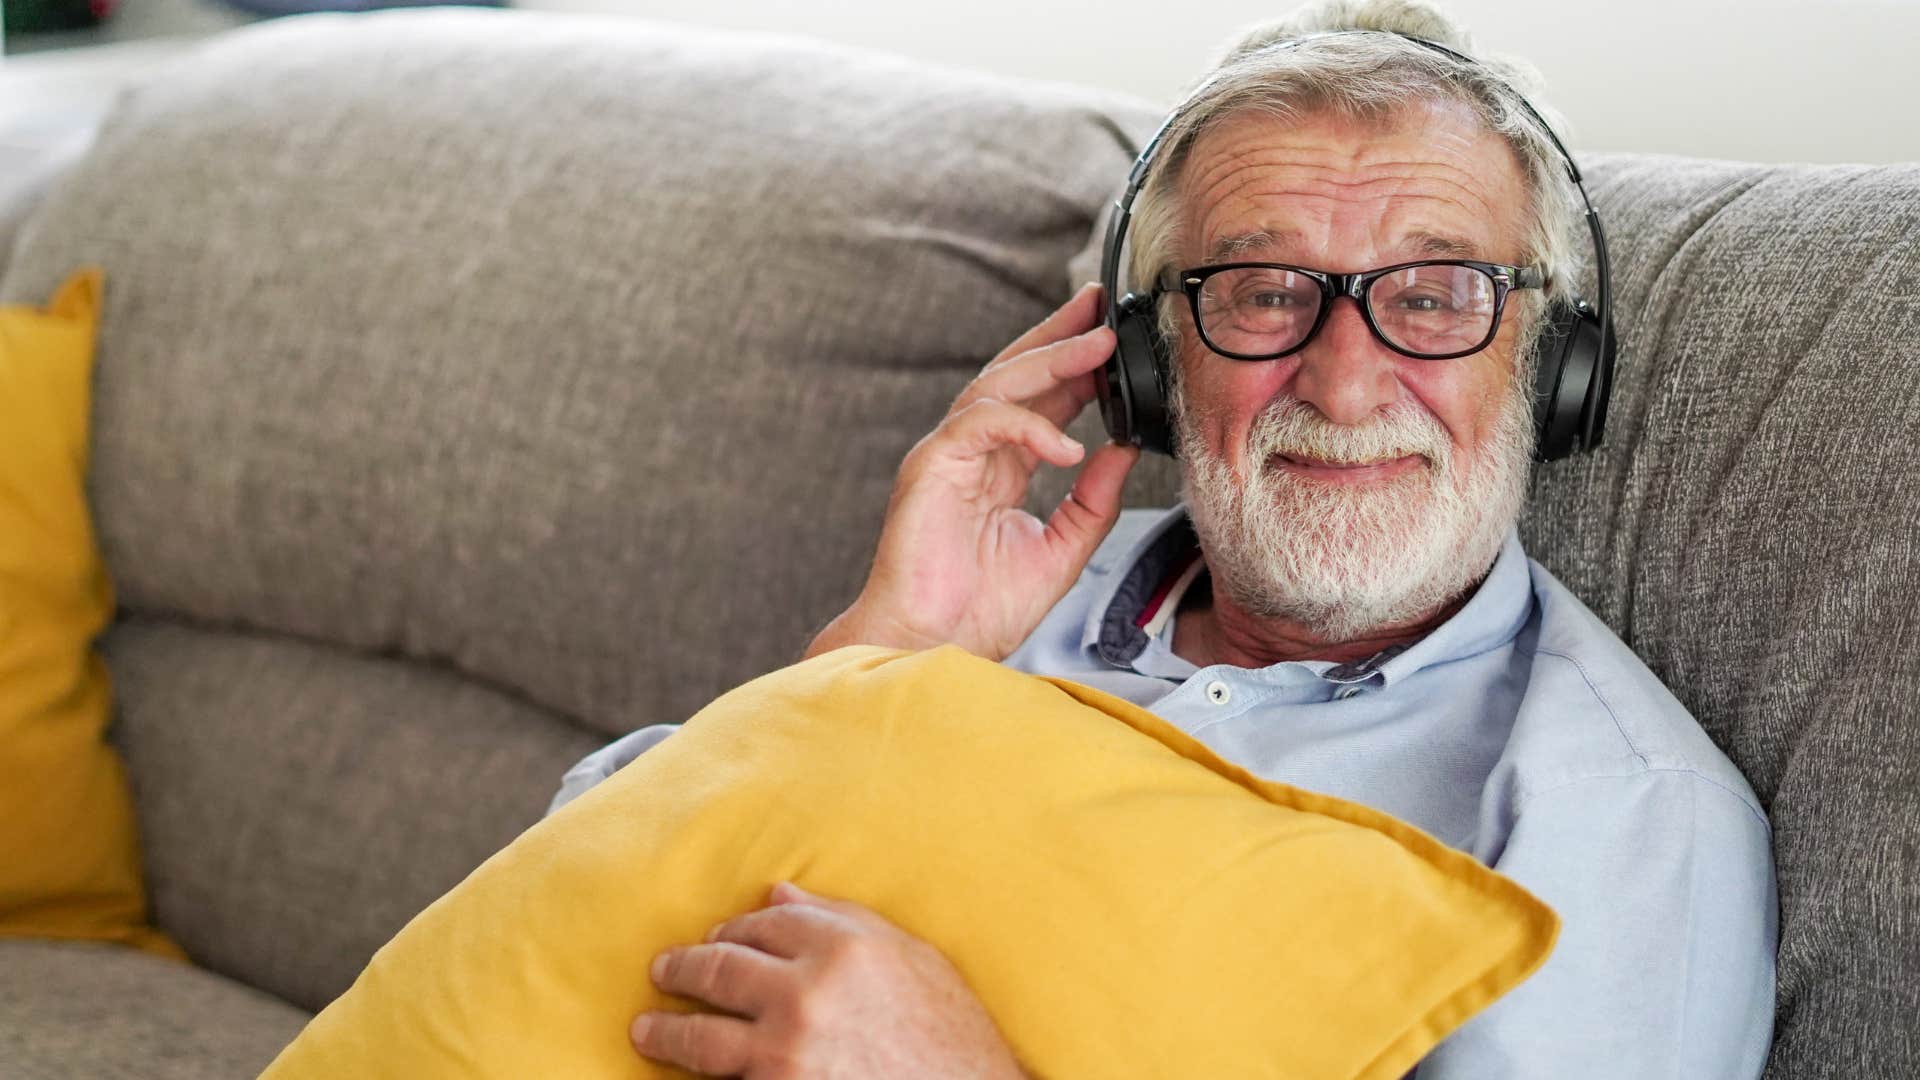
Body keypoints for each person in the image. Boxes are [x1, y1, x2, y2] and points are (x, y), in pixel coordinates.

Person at [550, 2, 1777, 1076]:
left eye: (1432, 296)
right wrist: (875, 656)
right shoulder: (990, 596)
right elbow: (563, 901)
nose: (1345, 386)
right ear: (1147, 368)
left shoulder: (1618, 825)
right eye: (1264, 293)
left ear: (1553, 370)